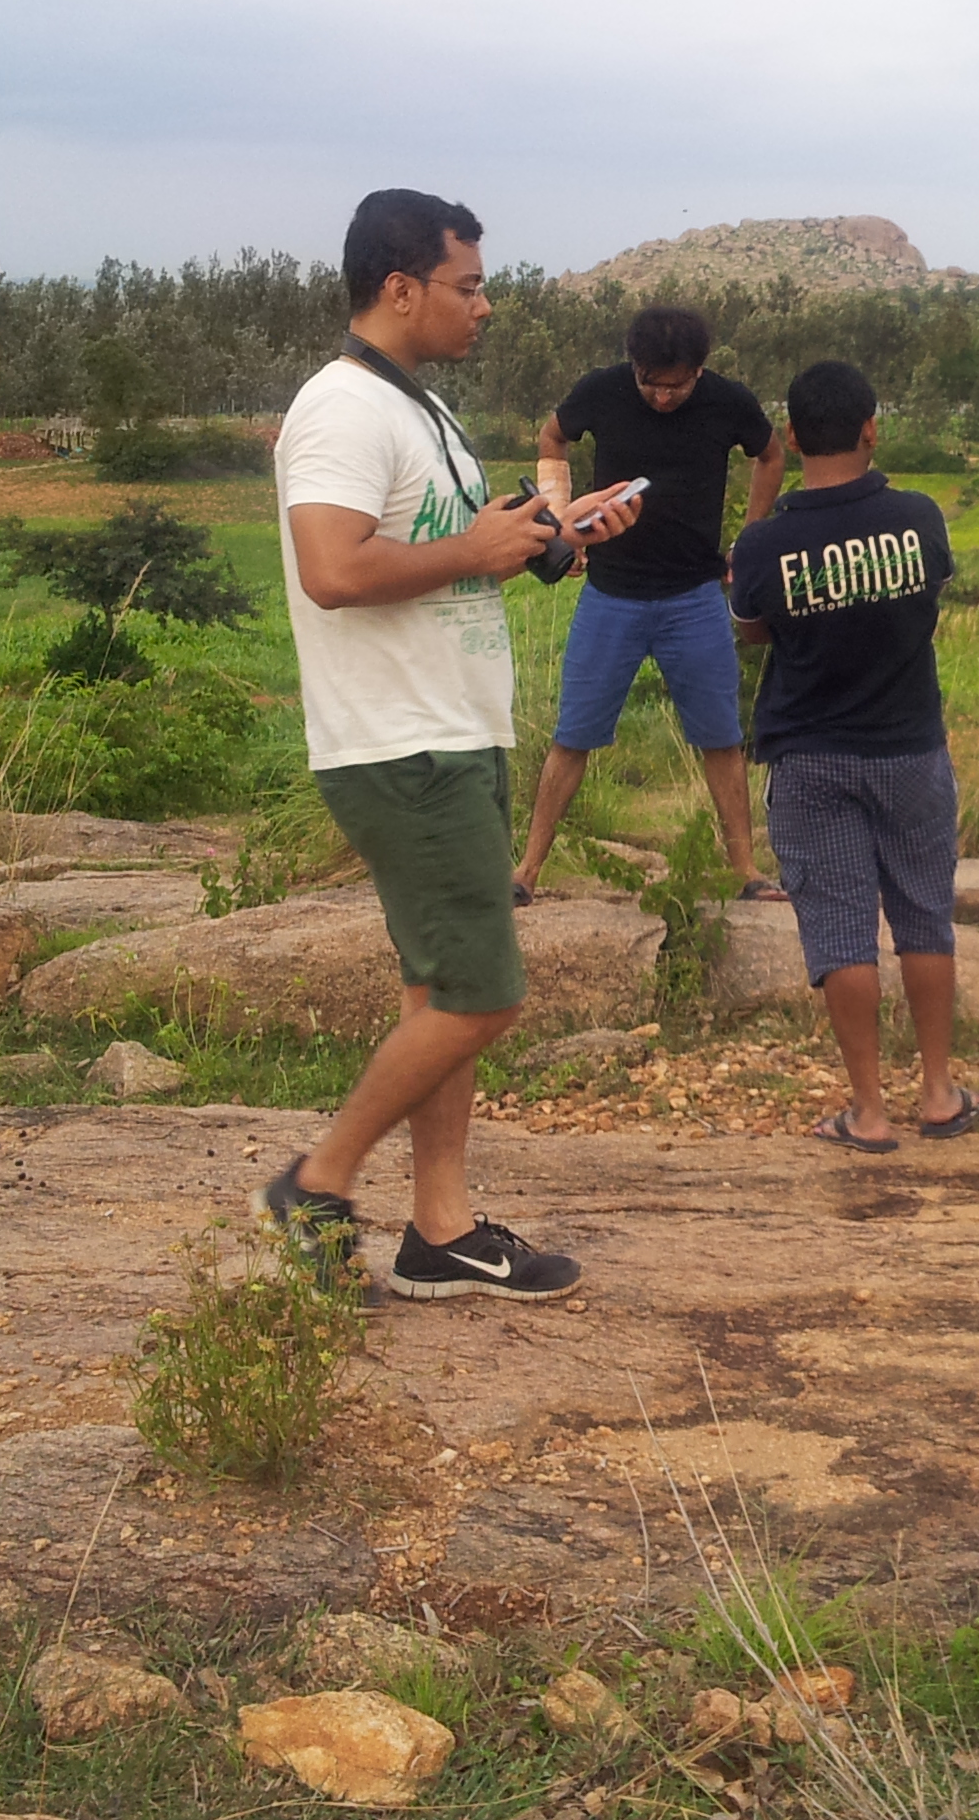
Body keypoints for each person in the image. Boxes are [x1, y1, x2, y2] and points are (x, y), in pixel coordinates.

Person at [258, 189, 641, 1300]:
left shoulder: (416, 407)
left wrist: (554, 538)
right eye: (467, 287)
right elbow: (333, 571)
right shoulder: (341, 408)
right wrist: (479, 549)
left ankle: (442, 1228)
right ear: (399, 289)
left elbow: (452, 551)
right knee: (485, 996)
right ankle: (316, 1181)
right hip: (399, 744)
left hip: (452, 727)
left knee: (441, 994)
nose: (485, 305)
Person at [725, 359, 979, 1154]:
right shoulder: (920, 517)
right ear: (874, 429)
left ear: (793, 435)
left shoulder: (767, 543)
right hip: (909, 748)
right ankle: (939, 1092)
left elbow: (751, 626)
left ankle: (868, 1110)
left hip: (811, 758)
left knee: (840, 931)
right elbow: (928, 593)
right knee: (923, 919)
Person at [510, 305, 788, 905]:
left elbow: (771, 455)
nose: (663, 396)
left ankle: (746, 870)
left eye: (677, 385)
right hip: (611, 595)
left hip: (695, 598)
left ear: (700, 370)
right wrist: (560, 521)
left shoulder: (728, 402)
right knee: (572, 735)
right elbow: (552, 436)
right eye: (651, 383)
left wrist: (752, 535)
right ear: (633, 367)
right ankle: (527, 870)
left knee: (720, 738)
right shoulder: (602, 391)